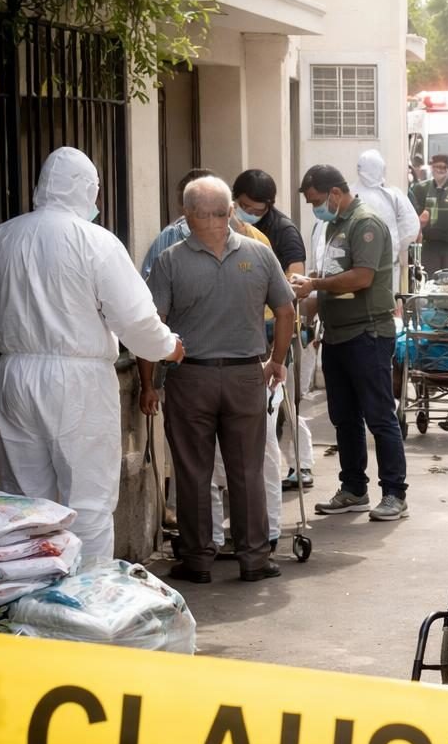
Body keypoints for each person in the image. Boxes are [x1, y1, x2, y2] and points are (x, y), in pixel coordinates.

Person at [0, 146, 184, 560]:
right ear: (84, 189)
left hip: (14, 374)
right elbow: (135, 320)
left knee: (26, 504)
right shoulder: (96, 242)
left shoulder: (2, 237)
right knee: (89, 502)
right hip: (77, 380)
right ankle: (86, 604)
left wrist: (18, 338)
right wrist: (169, 347)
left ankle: (35, 602)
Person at [143, 176, 296, 583]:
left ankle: (196, 560)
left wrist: (148, 384)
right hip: (247, 375)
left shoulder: (169, 260)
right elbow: (286, 312)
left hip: (191, 379)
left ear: (186, 214)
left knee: (194, 471)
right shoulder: (260, 255)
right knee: (247, 470)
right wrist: (276, 361)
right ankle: (254, 560)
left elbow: (151, 327)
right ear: (230, 212)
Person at [294, 164, 409, 522]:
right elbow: (328, 277)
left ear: (335, 193)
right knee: (344, 418)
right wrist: (308, 312)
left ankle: (394, 493)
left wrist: (315, 287)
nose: (316, 207)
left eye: (317, 200)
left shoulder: (366, 223)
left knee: (378, 416)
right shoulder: (333, 226)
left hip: (367, 334)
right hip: (338, 335)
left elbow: (361, 277)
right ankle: (354, 488)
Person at [231, 168, 315, 494]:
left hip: (277, 327)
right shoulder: (228, 226)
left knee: (284, 404)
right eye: (244, 206)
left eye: (257, 210)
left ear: (269, 205)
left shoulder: (283, 232)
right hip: (245, 328)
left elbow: (296, 281)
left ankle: (301, 463)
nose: (249, 214)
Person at [352, 149, 421, 293]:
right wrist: (395, 248)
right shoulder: (392, 195)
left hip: (354, 268)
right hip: (387, 265)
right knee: (384, 305)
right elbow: (411, 228)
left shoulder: (350, 193)